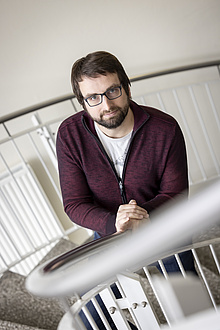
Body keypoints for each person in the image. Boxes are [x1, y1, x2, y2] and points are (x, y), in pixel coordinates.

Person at [56, 50, 195, 327]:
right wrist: (114, 222)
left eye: (113, 91)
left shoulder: (164, 129)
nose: (106, 105)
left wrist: (139, 215)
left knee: (190, 300)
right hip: (110, 233)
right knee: (90, 309)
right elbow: (74, 203)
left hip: (165, 227)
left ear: (127, 87)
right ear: (82, 102)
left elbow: (176, 193)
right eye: (93, 98)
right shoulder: (70, 135)